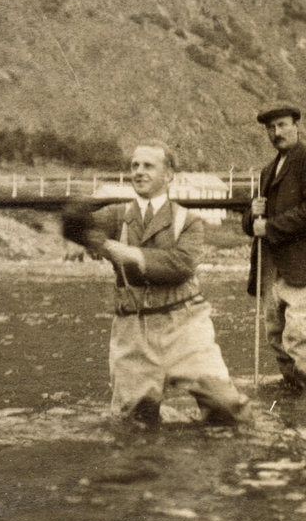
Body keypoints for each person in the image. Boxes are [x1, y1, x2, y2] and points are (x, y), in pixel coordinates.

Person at [62, 141, 248, 426]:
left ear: (169, 175)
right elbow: (77, 228)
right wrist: (76, 215)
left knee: (226, 407)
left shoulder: (189, 221)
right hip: (133, 329)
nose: (139, 171)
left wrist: (125, 253)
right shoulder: (116, 215)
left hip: (184, 326)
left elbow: (180, 267)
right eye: (134, 165)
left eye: (148, 165)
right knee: (133, 423)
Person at [242, 104, 306, 394]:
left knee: (298, 334)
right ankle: (292, 393)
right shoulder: (267, 172)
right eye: (271, 128)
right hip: (272, 267)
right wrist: (252, 214)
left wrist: (269, 227)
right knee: (275, 336)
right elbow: (252, 224)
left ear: (297, 125)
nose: (277, 132)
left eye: (283, 125)